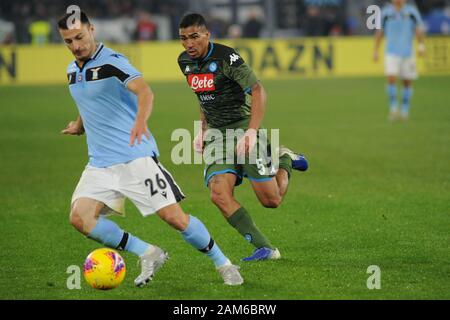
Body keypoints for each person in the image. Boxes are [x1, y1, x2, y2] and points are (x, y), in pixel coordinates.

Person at [58, 11, 243, 286]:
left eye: (80, 37)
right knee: (80, 218)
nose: (76, 45)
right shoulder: (73, 71)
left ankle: (224, 263)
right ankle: (148, 252)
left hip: (136, 157)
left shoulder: (113, 62)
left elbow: (145, 92)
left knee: (174, 218)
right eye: (69, 41)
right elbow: (90, 100)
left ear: (92, 30)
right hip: (99, 163)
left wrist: (140, 122)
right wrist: (79, 124)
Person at [177, 13, 308, 262]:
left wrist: (250, 132)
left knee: (271, 200)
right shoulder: (184, 62)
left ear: (207, 34)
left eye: (194, 36)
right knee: (218, 194)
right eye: (183, 38)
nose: (189, 44)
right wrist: (201, 129)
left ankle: (285, 161)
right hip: (216, 134)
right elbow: (203, 96)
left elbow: (258, 90)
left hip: (242, 128)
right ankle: (265, 248)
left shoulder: (227, 57)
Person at [374, 0, 426, 121]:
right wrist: (375, 50)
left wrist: (421, 45)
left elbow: (418, 29)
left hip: (407, 52)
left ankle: (404, 109)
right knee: (391, 78)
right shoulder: (386, 12)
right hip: (391, 52)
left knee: (407, 82)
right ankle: (393, 108)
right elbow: (379, 32)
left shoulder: (412, 12)